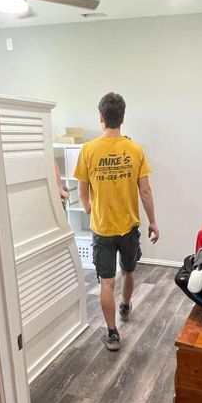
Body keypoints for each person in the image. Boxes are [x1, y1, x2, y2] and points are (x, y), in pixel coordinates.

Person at [74, 92, 158, 351]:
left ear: (101, 118)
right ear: (122, 118)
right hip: (128, 227)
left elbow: (82, 189)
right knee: (129, 271)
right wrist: (153, 222)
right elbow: (145, 191)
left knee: (106, 282)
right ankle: (125, 306)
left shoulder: (88, 150)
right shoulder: (134, 149)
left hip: (102, 228)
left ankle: (112, 334)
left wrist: (89, 209)